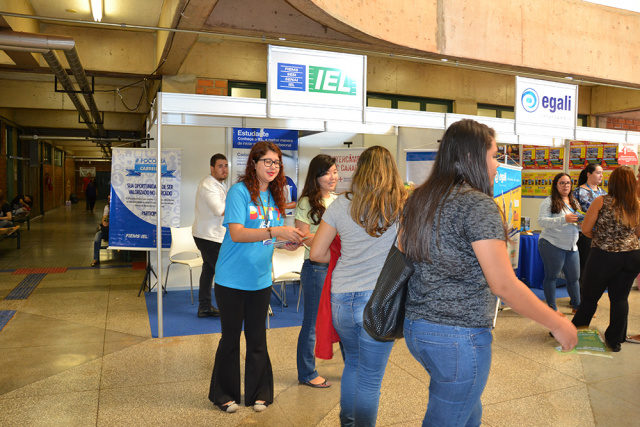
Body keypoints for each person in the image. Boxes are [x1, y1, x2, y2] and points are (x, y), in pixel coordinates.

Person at [399, 119, 577, 427]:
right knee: (448, 416)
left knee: (467, 412)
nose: (497, 165)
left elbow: (405, 251)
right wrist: (557, 322)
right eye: (494, 156)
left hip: (418, 327)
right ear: (472, 157)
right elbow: (504, 285)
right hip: (458, 335)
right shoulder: (477, 205)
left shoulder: (420, 198)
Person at [310, 146, 407, 427]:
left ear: (360, 170)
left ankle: (348, 423)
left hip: (341, 296)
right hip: (378, 299)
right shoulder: (401, 205)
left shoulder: (341, 204)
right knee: (370, 377)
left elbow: (317, 254)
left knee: (353, 364)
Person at [209, 141, 304, 414]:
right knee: (230, 339)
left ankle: (259, 392)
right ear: (254, 163)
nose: (273, 167)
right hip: (231, 280)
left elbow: (265, 237)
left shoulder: (274, 197)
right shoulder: (239, 192)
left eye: (277, 163)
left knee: (257, 338)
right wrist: (276, 232)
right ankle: (224, 394)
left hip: (261, 279)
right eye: (267, 162)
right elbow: (238, 233)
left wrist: (284, 242)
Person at [572, 166, 640, 352]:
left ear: (613, 181)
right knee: (620, 298)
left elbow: (586, 229)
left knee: (590, 296)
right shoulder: (636, 203)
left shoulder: (602, 201)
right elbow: (638, 232)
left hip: (604, 255)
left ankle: (573, 331)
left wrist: (603, 238)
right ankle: (615, 340)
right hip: (632, 256)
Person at [294, 154, 339, 389]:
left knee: (341, 318)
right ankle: (307, 372)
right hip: (316, 269)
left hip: (339, 267)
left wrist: (323, 237)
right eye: (327, 173)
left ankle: (352, 362)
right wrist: (330, 237)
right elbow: (304, 238)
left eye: (334, 171)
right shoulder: (306, 203)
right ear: (316, 176)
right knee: (312, 323)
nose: (333, 177)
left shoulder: (339, 200)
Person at [537, 173, 581, 315]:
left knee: (574, 278)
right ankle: (552, 309)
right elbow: (542, 222)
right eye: (562, 183)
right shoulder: (548, 202)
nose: (565, 186)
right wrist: (564, 219)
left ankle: (577, 307)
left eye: (568, 183)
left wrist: (581, 223)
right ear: (556, 185)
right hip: (551, 243)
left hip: (572, 245)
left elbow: (577, 222)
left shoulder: (574, 201)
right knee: (552, 277)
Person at [192, 153, 229, 318]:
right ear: (212, 168)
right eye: (220, 166)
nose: (224, 169)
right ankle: (228, 308)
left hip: (211, 234)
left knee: (209, 269)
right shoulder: (209, 184)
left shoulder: (220, 184)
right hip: (209, 236)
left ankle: (204, 307)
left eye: (226, 166)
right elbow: (219, 210)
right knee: (222, 272)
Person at [573, 163, 606, 288]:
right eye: (598, 173)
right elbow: (574, 212)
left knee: (597, 266)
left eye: (602, 173)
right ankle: (579, 296)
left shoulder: (603, 193)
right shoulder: (578, 192)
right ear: (589, 174)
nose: (601, 176)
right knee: (583, 265)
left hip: (601, 235)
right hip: (584, 233)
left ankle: (592, 294)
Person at [91, 195, 110, 267]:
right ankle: (96, 259)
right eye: (108, 199)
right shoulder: (107, 207)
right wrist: (105, 220)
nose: (109, 201)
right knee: (97, 239)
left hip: (116, 232)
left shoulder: (119, 208)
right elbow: (105, 220)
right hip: (107, 230)